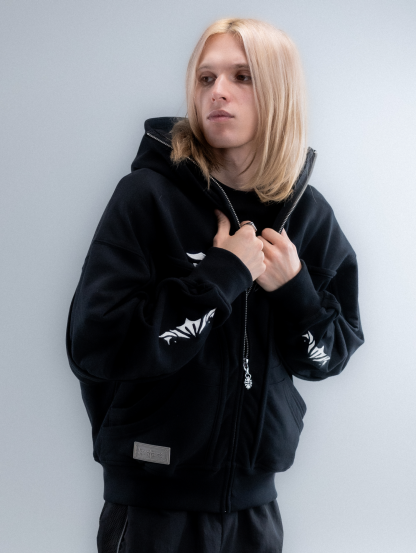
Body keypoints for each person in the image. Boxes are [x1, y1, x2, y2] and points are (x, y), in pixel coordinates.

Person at [65, 17, 365, 553]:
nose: (218, 92)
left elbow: (330, 356)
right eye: (206, 78)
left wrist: (294, 290)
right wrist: (223, 276)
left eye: (242, 76)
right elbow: (96, 345)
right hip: (152, 505)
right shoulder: (147, 198)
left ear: (279, 92)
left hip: (255, 510)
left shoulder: (309, 218)